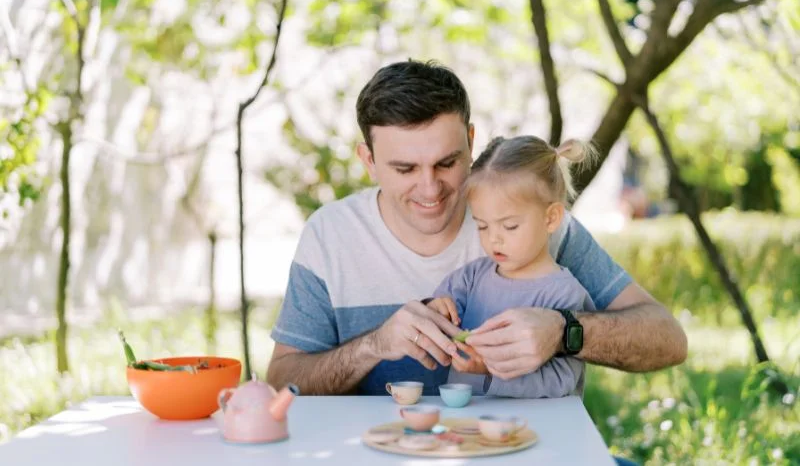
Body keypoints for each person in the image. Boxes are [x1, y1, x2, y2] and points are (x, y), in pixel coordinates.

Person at [267, 59, 687, 398]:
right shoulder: (330, 236)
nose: (430, 188)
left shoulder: (533, 225)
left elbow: (667, 339)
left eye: (447, 163)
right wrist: (372, 346)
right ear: (368, 159)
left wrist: (565, 332)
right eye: (405, 168)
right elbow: (281, 381)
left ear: (471, 141)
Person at [426, 135, 596, 399]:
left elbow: (561, 380)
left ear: (550, 218)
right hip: (469, 427)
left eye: (510, 226)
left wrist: (490, 370)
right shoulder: (472, 277)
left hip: (538, 432)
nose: (494, 238)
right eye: (482, 225)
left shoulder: (565, 295)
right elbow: (438, 315)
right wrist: (434, 310)